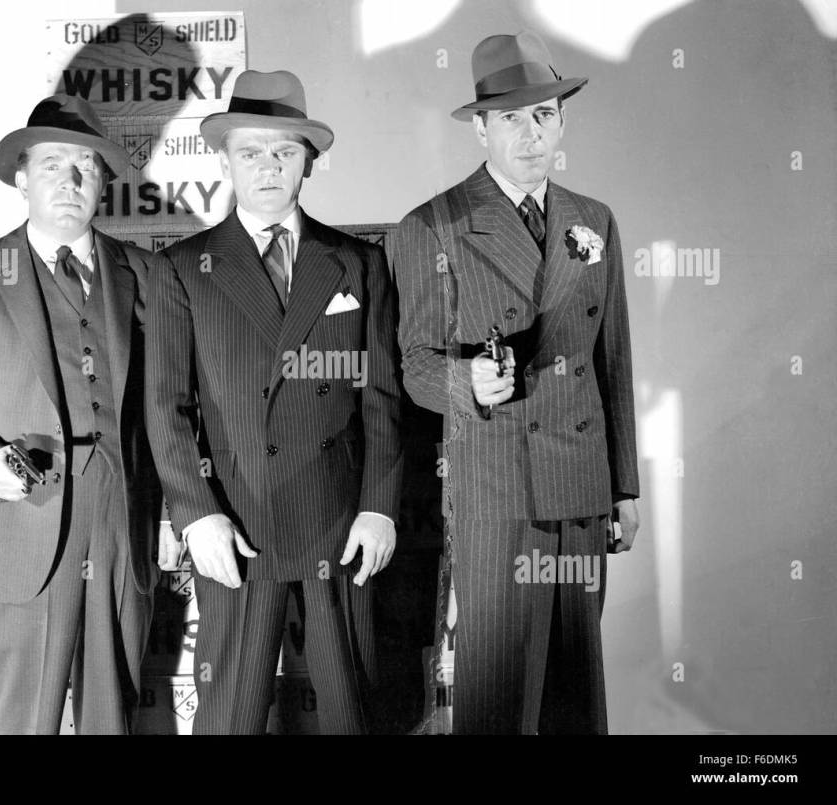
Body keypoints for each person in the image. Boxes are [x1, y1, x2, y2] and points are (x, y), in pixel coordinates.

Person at [392, 31, 640, 734]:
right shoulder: (433, 227)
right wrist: (466, 380)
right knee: (499, 697)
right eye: (510, 118)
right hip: (497, 489)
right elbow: (413, 365)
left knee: (576, 694)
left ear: (561, 122)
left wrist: (624, 486)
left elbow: (613, 360)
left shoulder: (593, 220)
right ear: (481, 128)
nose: (530, 135)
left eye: (543, 115)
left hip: (582, 488)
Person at [145, 70, 403, 734]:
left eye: (285, 151)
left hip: (337, 518)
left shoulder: (358, 262)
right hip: (237, 521)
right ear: (225, 160)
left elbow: (381, 399)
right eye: (251, 151)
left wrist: (379, 506)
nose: (268, 166)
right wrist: (196, 514)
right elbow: (166, 407)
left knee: (351, 711)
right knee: (230, 713)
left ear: (308, 162)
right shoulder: (183, 268)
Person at [0, 94, 163, 734]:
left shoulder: (148, 275)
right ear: (22, 178)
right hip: (21, 524)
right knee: (22, 719)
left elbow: (170, 402)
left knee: (112, 715)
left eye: (85, 165)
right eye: (51, 164)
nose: (69, 180)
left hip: (119, 522)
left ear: (103, 180)